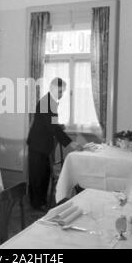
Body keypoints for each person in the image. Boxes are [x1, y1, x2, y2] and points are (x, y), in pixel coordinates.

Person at [26, 77, 81, 211]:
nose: (61, 95)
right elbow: (52, 127)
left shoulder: (52, 102)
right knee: (37, 177)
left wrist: (59, 126)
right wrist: (71, 143)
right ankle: (37, 204)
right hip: (37, 144)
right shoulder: (46, 102)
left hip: (43, 145)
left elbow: (53, 123)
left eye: (63, 92)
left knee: (44, 175)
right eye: (60, 91)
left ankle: (41, 202)